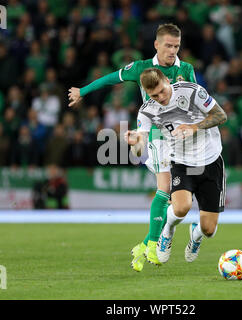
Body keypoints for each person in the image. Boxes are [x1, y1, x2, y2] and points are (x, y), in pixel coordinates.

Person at [68, 23, 197, 272]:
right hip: (157, 134)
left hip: (182, 138)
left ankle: (147, 243)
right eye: (168, 45)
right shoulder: (140, 68)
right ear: (156, 45)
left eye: (177, 46)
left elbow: (195, 98)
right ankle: (151, 245)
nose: (173, 50)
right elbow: (111, 78)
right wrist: (82, 91)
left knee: (180, 197)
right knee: (166, 188)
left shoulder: (187, 69)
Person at [124, 68, 227, 264]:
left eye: (162, 91)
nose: (160, 97)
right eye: (154, 95)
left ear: (166, 81)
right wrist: (135, 142)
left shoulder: (192, 91)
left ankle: (195, 235)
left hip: (211, 160)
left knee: (209, 230)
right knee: (181, 208)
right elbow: (138, 150)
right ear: (147, 93)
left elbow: (221, 116)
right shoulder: (147, 110)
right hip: (180, 161)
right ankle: (167, 232)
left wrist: (194, 127)